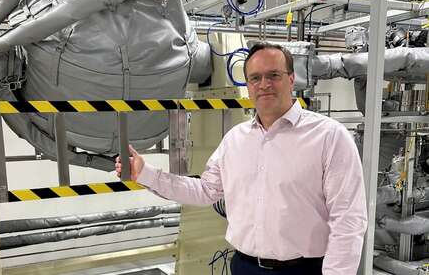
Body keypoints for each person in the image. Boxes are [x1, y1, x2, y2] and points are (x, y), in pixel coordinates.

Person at [115, 42, 368, 275]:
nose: (264, 84)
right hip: (244, 266)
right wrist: (146, 172)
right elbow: (204, 190)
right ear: (248, 85)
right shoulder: (235, 139)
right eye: (255, 78)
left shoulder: (329, 136)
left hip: (304, 269)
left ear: (292, 79)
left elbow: (348, 219)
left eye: (273, 75)